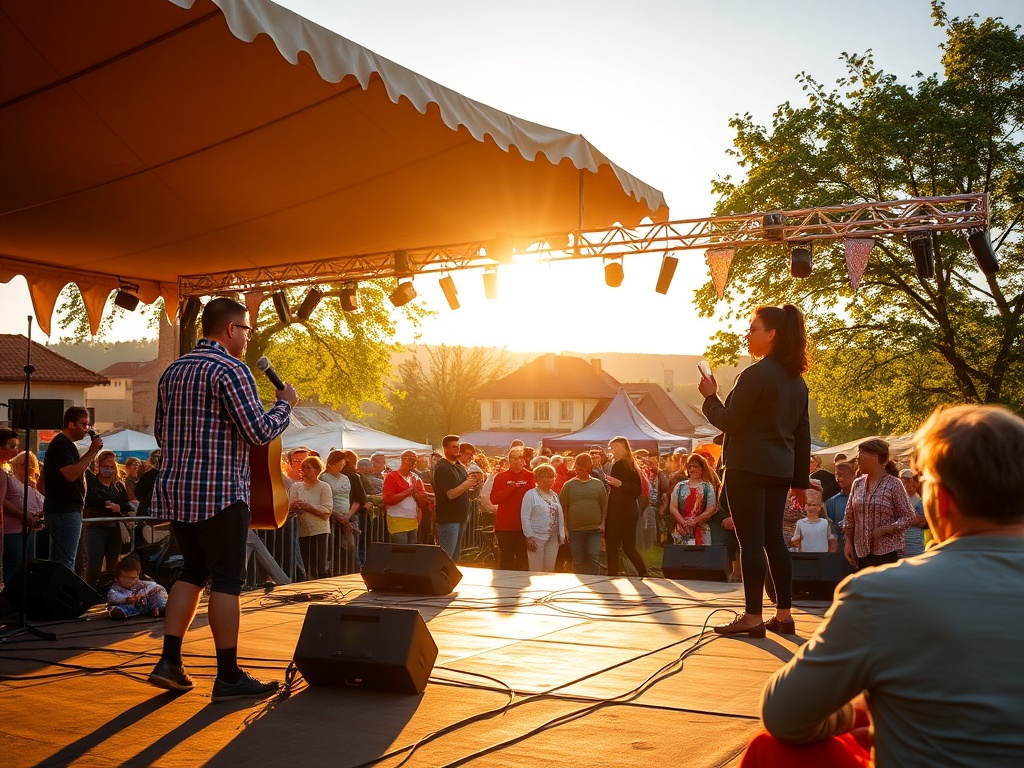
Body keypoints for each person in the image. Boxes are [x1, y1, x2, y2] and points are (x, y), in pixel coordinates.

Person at [741, 404, 1024, 767]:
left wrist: (856, 716)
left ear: (943, 499)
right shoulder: (860, 487)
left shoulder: (879, 594)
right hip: (863, 548)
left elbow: (783, 715)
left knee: (771, 748)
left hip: (888, 559)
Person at [147, 296, 297, 702]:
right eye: (246, 329)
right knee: (228, 581)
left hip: (178, 490)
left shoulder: (172, 372)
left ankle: (169, 662)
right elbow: (257, 432)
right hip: (220, 494)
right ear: (231, 329)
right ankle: (228, 676)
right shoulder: (231, 369)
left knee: (192, 572)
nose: (248, 337)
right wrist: (284, 407)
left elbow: (162, 434)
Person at [699, 304, 811, 638]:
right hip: (779, 469)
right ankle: (784, 615)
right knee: (775, 540)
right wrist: (800, 481)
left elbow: (730, 422)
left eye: (752, 329)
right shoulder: (796, 382)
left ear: (772, 334)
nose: (747, 335)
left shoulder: (755, 375)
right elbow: (802, 434)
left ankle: (751, 616)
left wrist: (710, 397)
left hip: (747, 467)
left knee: (751, 543)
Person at [42, 407, 103, 573]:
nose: (87, 429)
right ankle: (60, 596)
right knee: (65, 562)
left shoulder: (65, 445)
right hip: (65, 511)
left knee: (61, 560)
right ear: (71, 424)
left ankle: (55, 595)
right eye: (83, 424)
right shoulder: (61, 444)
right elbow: (71, 474)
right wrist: (92, 451)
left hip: (64, 510)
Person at [842, 439, 914, 571]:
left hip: (886, 553)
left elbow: (908, 516)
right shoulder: (857, 484)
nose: (857, 460)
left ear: (874, 458)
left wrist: (886, 529)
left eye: (861, 455)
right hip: (861, 553)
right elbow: (849, 517)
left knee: (884, 589)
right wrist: (848, 543)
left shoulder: (894, 484)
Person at [82, 450, 132, 588]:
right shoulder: (90, 481)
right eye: (105, 466)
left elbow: (127, 505)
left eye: (111, 467)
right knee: (94, 564)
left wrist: (118, 508)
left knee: (113, 564)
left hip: (114, 527)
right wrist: (105, 504)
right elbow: (89, 500)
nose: (108, 469)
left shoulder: (118, 485)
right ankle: (90, 591)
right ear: (98, 466)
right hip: (94, 526)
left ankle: (110, 591)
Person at [604, 436, 649, 578]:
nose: (613, 451)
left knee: (612, 545)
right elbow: (637, 489)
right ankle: (643, 572)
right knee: (629, 547)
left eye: (615, 448)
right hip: (630, 510)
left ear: (623, 447)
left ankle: (612, 575)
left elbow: (635, 490)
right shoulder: (631, 465)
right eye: (612, 448)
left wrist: (619, 484)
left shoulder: (620, 465)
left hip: (620, 511)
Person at [558, 452, 607, 575]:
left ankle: (594, 580)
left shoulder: (598, 484)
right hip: (575, 529)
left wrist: (603, 523)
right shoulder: (569, 485)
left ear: (589, 469)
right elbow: (563, 506)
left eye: (583, 469)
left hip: (594, 529)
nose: (579, 471)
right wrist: (565, 527)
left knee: (592, 555)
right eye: (577, 469)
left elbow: (604, 505)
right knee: (578, 559)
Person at [489, 447, 534, 570]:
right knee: (506, 558)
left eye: (521, 458)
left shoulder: (530, 476)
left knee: (522, 558)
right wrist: (511, 488)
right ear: (509, 460)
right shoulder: (501, 477)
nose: (519, 461)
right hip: (504, 526)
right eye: (515, 459)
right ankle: (504, 585)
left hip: (523, 526)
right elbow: (494, 499)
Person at [433, 435, 477, 561]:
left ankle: (450, 580)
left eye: (458, 446)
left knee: (455, 555)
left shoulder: (459, 465)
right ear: (445, 449)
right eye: (454, 447)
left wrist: (472, 484)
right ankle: (441, 580)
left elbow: (463, 486)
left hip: (461, 516)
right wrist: (466, 485)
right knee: (446, 556)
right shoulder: (442, 467)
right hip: (449, 519)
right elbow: (450, 494)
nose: (457, 449)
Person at [288, 455, 332, 580]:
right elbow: (289, 506)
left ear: (317, 470)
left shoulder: (324, 487)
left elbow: (327, 510)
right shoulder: (296, 486)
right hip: (301, 530)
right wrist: (295, 507)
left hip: (319, 530)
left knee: (318, 564)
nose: (305, 471)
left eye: (308, 468)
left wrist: (309, 507)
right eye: (303, 468)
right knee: (304, 563)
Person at [3, 449, 45, 578]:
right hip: (13, 529)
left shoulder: (34, 486)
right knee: (14, 565)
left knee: (28, 565)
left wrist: (39, 514)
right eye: (23, 463)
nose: (27, 467)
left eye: (31, 464)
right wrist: (22, 515)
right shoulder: (9, 480)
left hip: (29, 529)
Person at [520, 463, 566, 572]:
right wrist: (529, 537)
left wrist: (562, 533)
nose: (550, 479)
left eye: (552, 476)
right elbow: (525, 516)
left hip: (553, 538)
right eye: (547, 476)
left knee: (549, 570)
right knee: (536, 570)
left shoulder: (554, 495)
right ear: (538, 478)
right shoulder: (530, 495)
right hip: (536, 538)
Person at [668, 452, 719, 546]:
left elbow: (711, 508)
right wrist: (683, 522)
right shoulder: (680, 486)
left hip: (701, 531)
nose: (692, 469)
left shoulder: (707, 486)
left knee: (700, 558)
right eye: (690, 466)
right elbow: (673, 507)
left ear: (702, 468)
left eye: (695, 466)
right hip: (681, 530)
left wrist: (695, 521)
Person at [383, 450, 427, 545]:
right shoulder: (392, 476)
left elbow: (424, 498)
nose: (415, 463)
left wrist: (417, 495)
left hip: (413, 520)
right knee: (401, 551)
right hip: (397, 519)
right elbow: (388, 499)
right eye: (413, 460)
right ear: (405, 460)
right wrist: (408, 491)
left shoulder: (416, 477)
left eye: (415, 460)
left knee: (411, 552)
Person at [106, 554, 168, 620]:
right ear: (117, 578)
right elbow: (113, 598)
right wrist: (127, 599)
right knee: (118, 609)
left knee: (157, 593)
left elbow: (151, 585)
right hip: (129, 607)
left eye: (133, 578)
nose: (130, 581)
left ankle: (159, 609)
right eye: (126, 578)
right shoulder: (115, 588)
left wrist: (151, 590)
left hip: (145, 605)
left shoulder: (140, 584)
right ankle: (120, 613)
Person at [790, 488, 835, 553]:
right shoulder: (800, 523)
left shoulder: (824, 523)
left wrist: (833, 541)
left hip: (822, 556)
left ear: (819, 507)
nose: (811, 508)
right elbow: (795, 538)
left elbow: (830, 538)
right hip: (806, 556)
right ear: (805, 507)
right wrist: (796, 540)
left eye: (814, 505)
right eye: (809, 505)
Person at [825, 461, 854, 549]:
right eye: (836, 475)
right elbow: (832, 529)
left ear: (853, 475)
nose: (838, 479)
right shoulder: (832, 502)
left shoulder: (863, 498)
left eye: (841, 474)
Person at [898, 468, 927, 557]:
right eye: (902, 481)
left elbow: (923, 522)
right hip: (900, 549)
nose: (905, 484)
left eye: (907, 481)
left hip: (916, 547)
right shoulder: (897, 500)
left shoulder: (920, 501)